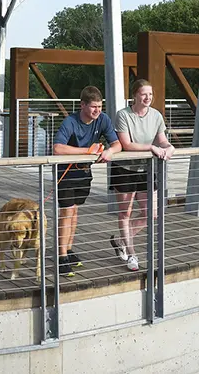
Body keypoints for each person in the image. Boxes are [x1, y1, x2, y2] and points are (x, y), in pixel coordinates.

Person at [52, 85, 121, 277]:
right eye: (93, 107)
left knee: (74, 212)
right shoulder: (70, 121)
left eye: (100, 106)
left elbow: (117, 144)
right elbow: (57, 148)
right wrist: (88, 151)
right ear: (82, 105)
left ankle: (69, 249)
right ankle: (61, 257)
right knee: (66, 212)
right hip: (66, 173)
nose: (97, 110)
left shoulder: (103, 119)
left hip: (83, 173)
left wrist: (109, 151)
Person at [110, 79, 175, 271]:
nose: (148, 97)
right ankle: (131, 254)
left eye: (150, 94)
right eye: (144, 94)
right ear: (135, 95)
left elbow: (162, 140)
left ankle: (121, 241)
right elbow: (127, 144)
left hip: (145, 170)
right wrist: (151, 148)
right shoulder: (123, 115)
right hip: (125, 170)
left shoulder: (156, 115)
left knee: (151, 213)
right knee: (125, 213)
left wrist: (169, 147)